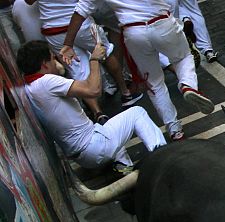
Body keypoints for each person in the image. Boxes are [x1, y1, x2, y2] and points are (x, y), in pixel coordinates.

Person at [59, 0, 214, 142]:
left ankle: (175, 130)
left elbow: (80, 11)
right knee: (183, 58)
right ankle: (187, 85)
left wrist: (68, 44)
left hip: (133, 32)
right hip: (162, 23)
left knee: (154, 83)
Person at [17, 39, 166, 172]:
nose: (56, 60)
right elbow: (93, 90)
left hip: (82, 153)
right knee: (137, 113)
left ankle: (123, 164)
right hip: (93, 148)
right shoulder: (46, 82)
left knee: (107, 126)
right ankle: (163, 156)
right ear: (44, 64)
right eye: (52, 58)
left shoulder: (30, 85)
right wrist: (94, 59)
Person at [26, 0, 142, 125]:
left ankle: (98, 112)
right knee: (106, 53)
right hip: (79, 22)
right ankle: (125, 93)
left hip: (54, 29)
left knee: (78, 70)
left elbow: (29, 1)